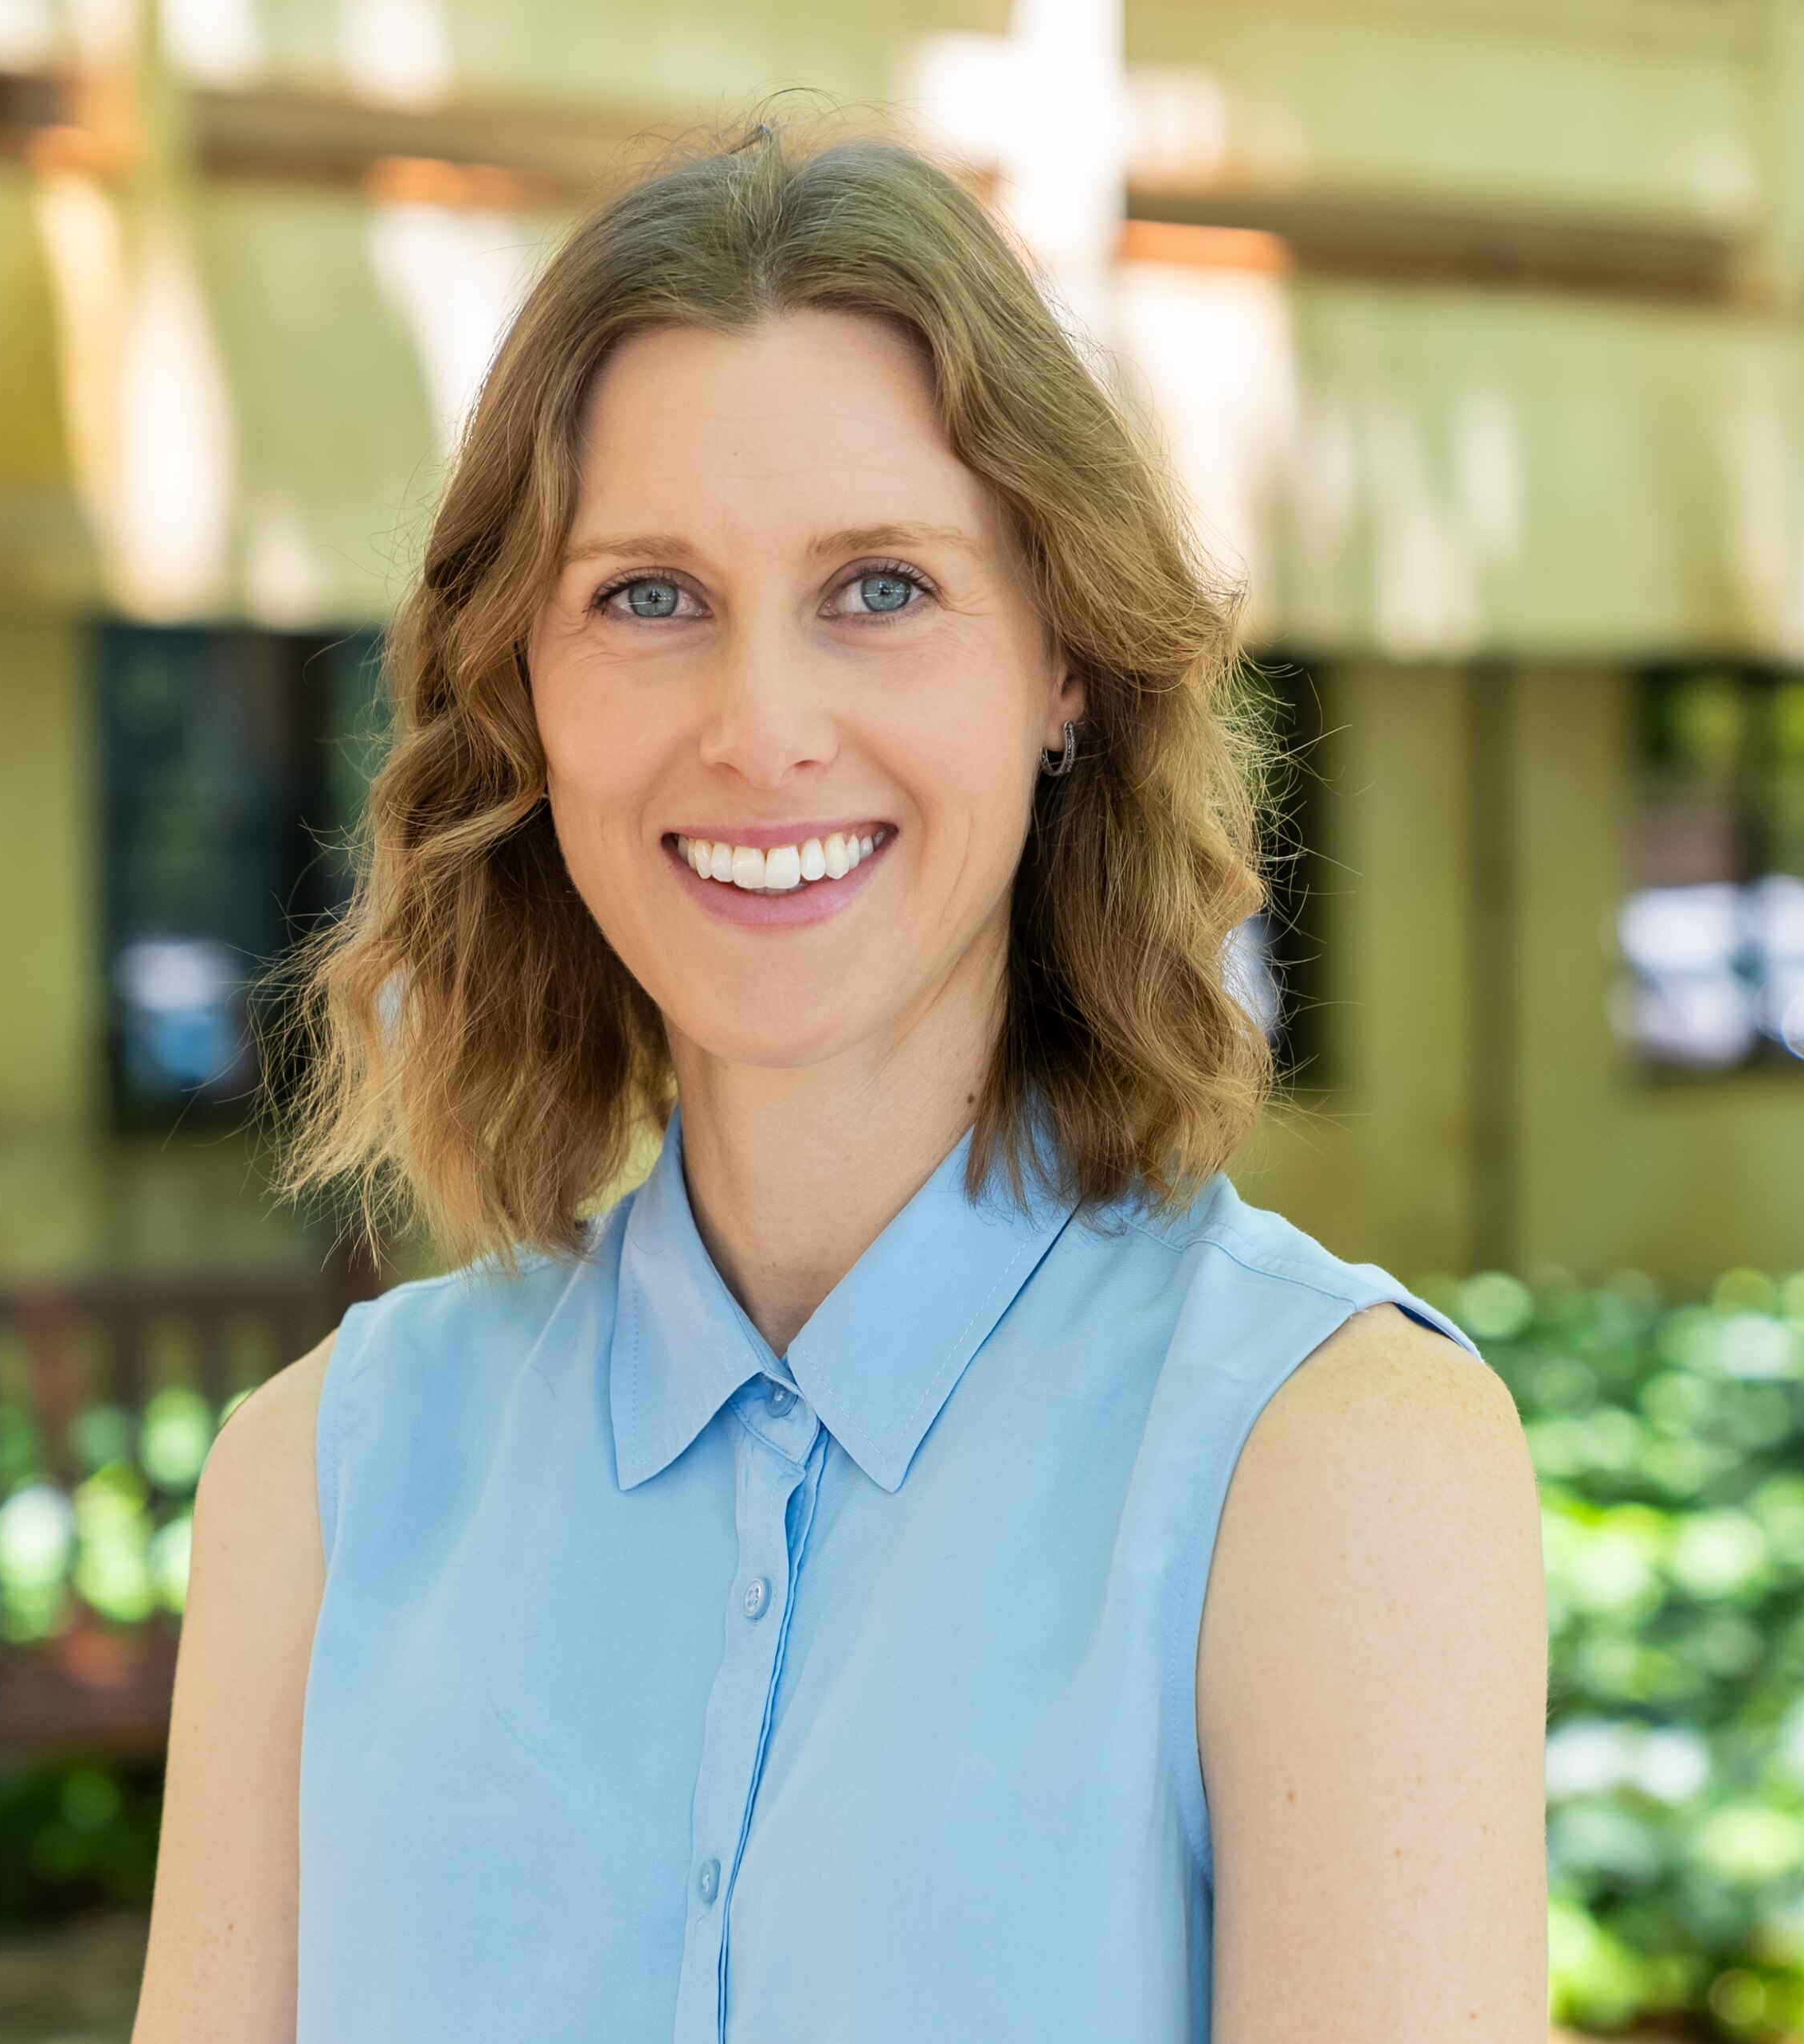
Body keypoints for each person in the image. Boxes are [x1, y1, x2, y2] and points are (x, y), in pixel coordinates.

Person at [133, 124, 1544, 2044]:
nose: (761, 729)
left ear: (1064, 666)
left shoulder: (1330, 1470)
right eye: (647, 596)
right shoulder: (317, 1491)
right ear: (519, 694)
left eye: (878, 587)